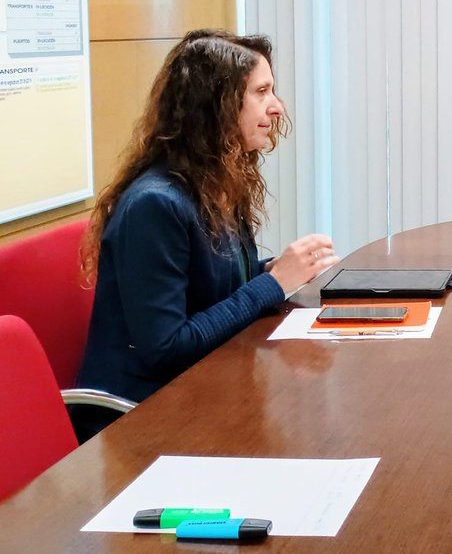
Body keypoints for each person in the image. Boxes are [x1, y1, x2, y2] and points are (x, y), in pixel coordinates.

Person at [75, 29, 338, 438]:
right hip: (140, 418)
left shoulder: (217, 184)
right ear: (216, 106)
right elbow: (167, 349)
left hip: (203, 386)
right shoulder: (155, 205)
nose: (277, 107)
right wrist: (272, 283)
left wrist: (287, 271)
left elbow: (214, 288)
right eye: (262, 91)